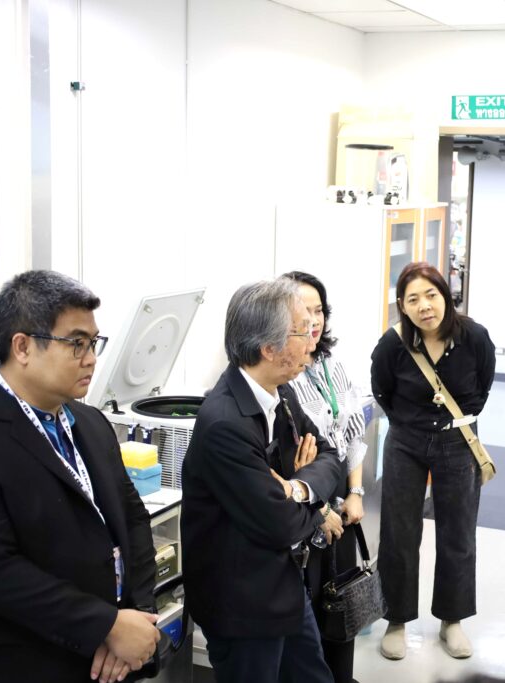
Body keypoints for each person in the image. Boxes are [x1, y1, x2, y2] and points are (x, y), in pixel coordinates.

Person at [0, 270, 160, 683]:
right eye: (76, 343)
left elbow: (133, 521)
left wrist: (138, 617)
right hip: (19, 666)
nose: (91, 358)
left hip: (105, 661)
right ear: (23, 347)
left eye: (93, 343)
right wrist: (107, 626)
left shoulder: (90, 423)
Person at [181, 278, 347, 683]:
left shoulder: (281, 393)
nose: (312, 341)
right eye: (302, 331)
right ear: (269, 348)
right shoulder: (225, 423)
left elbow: (330, 456)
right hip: (242, 605)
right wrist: (314, 506)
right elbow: (279, 524)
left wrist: (296, 488)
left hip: (284, 585)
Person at [371, 261, 496, 660]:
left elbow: (483, 386)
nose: (424, 306)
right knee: (399, 533)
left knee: (458, 532)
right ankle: (396, 620)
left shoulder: (474, 337)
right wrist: (411, 423)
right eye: (413, 299)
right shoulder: (393, 344)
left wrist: (454, 420)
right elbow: (381, 389)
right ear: (402, 306)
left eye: (431, 295)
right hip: (405, 442)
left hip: (458, 439)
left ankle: (451, 620)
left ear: (446, 296)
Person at [284, 270, 369, 683]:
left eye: (318, 311)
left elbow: (353, 435)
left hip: (341, 497)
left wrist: (355, 492)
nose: (313, 320)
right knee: (313, 611)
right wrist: (320, 509)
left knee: (343, 604)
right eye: (304, 312)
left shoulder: (331, 364)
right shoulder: (284, 373)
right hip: (308, 505)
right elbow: (294, 461)